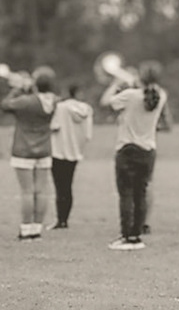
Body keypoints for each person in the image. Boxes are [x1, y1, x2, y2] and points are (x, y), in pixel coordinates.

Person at [102, 64, 167, 251]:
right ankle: (136, 235)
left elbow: (106, 101)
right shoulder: (161, 95)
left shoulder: (130, 95)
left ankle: (126, 236)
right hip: (148, 151)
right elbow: (148, 94)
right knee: (141, 194)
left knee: (126, 194)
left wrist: (116, 82)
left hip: (127, 148)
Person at [4, 67, 59, 240]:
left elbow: (5, 104)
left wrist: (19, 88)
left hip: (23, 150)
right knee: (41, 191)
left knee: (27, 191)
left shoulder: (26, 101)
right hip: (44, 150)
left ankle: (26, 229)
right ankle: (37, 229)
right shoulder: (55, 101)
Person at [48, 83, 93, 230]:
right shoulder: (87, 109)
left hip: (59, 151)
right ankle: (65, 219)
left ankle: (61, 220)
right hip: (75, 151)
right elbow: (88, 134)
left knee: (60, 187)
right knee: (68, 186)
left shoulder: (61, 108)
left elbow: (53, 126)